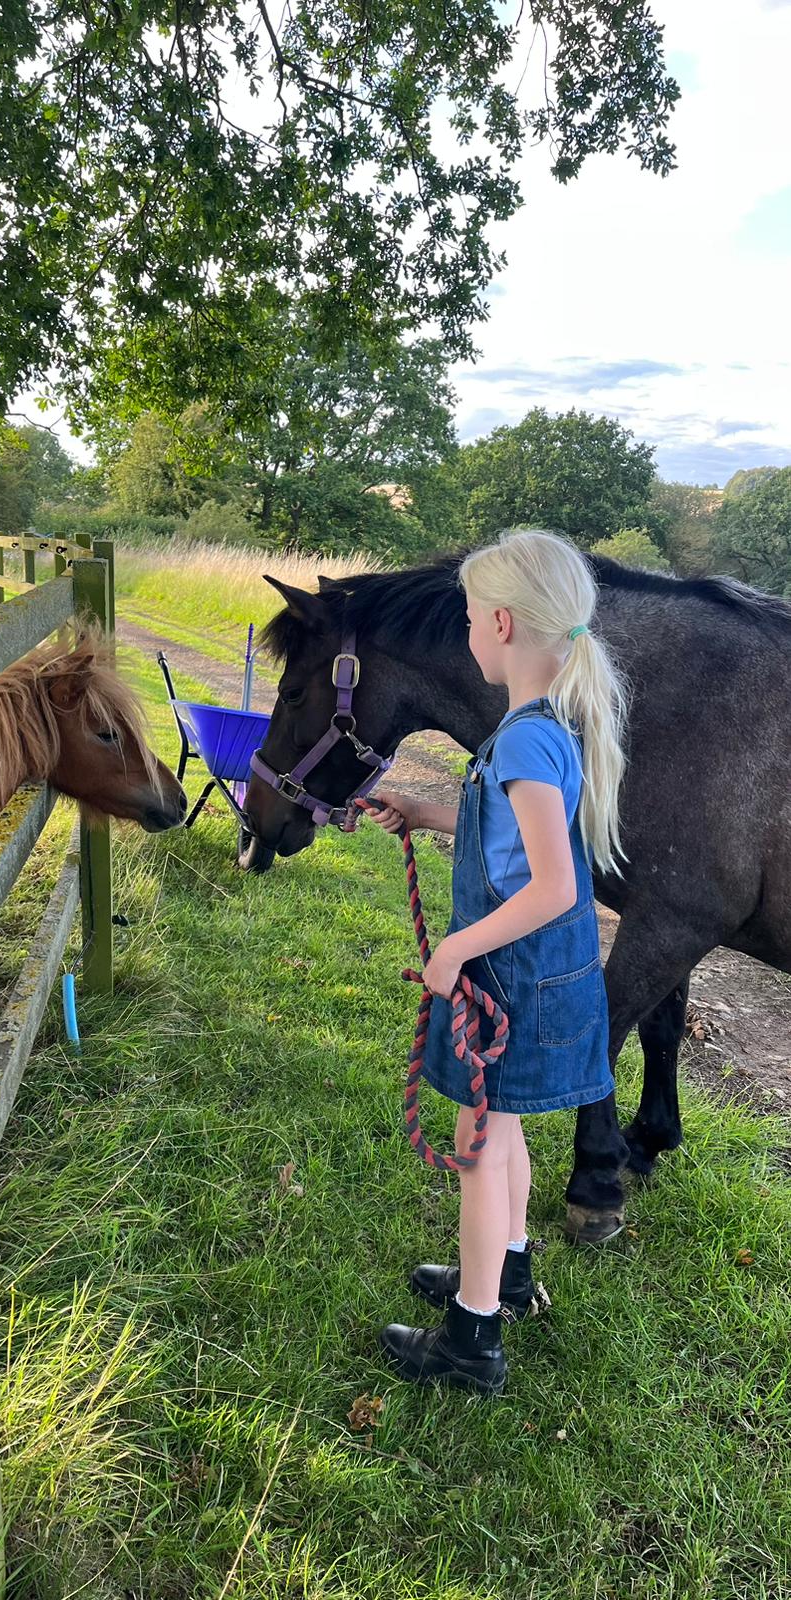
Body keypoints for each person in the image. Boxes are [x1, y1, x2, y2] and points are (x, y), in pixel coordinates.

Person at [368, 529, 628, 1395]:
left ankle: (471, 1341)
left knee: (476, 1142)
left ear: (504, 624)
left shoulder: (521, 739)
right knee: (501, 1133)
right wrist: (423, 810)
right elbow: (514, 840)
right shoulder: (548, 727)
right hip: (540, 976)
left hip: (510, 974)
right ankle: (506, 1278)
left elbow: (556, 886)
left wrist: (457, 947)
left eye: (472, 619)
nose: (468, 634)